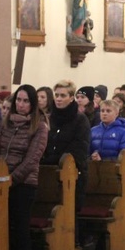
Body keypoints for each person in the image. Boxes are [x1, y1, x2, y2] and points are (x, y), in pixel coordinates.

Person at [0, 84, 48, 250]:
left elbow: (32, 159)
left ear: (32, 105)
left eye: (25, 101)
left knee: (19, 228)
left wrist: (12, 179)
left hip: (23, 184)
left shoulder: (39, 127)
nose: (21, 105)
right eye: (18, 100)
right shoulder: (5, 123)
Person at [42, 80, 91, 212]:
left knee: (69, 215)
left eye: (63, 96)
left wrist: (55, 159)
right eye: (56, 95)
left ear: (71, 98)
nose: (58, 99)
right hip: (48, 172)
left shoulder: (80, 120)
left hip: (72, 174)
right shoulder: (48, 118)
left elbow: (78, 148)